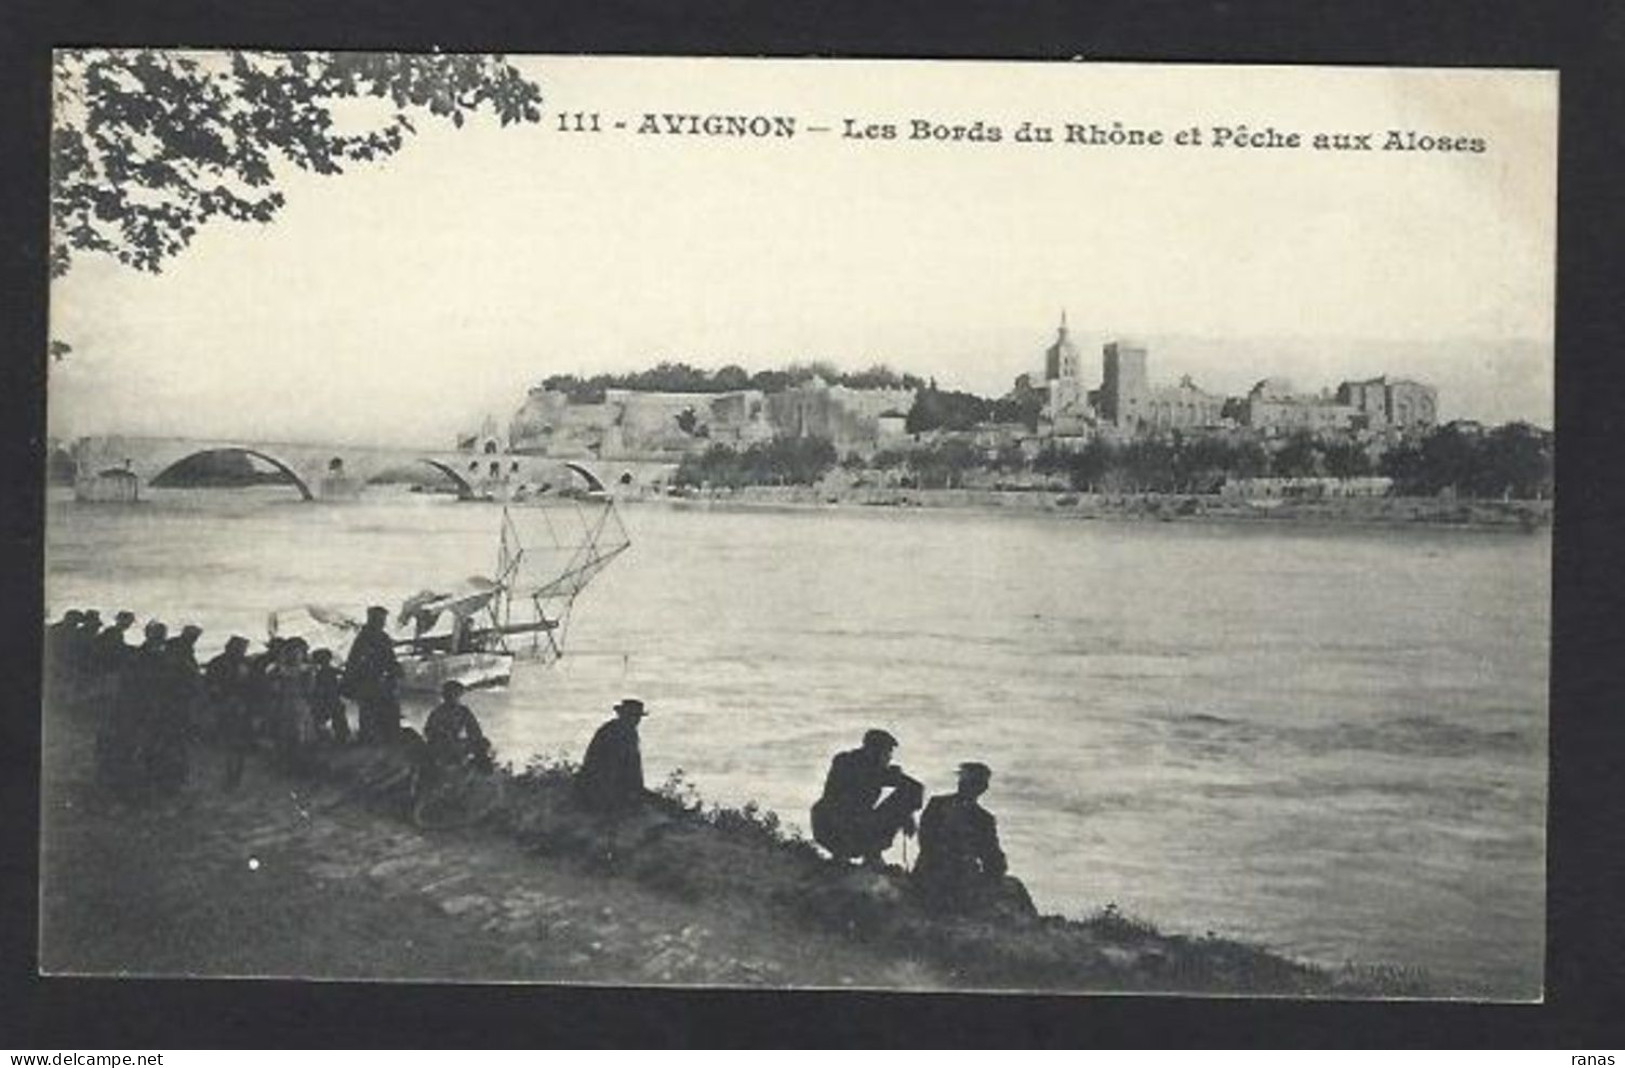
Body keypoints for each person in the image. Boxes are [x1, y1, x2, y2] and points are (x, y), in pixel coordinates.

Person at [913, 762, 1036, 919]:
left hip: (930, 876)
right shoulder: (982, 818)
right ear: (982, 788)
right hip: (955, 880)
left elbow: (925, 841)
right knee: (1015, 887)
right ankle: (1034, 925)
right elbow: (993, 860)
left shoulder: (938, 804)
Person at [810, 729, 924, 867]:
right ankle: (864, 854)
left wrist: (908, 813)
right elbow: (865, 779)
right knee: (849, 816)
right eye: (887, 753)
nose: (889, 758)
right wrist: (906, 814)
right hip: (835, 828)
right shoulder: (848, 763)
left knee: (907, 792)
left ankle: (862, 855)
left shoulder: (861, 765)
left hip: (850, 827)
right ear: (874, 751)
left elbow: (916, 788)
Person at [575, 697, 652, 815]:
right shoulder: (619, 732)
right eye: (633, 716)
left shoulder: (618, 730)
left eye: (637, 717)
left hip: (604, 784)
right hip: (603, 787)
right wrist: (635, 790)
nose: (636, 720)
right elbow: (625, 767)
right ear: (623, 715)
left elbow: (632, 768)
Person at [343, 606, 402, 744]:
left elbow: (390, 659)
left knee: (385, 714)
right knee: (370, 715)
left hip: (383, 684)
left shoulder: (382, 637)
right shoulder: (364, 639)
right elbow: (354, 662)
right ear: (371, 619)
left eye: (383, 620)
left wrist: (395, 669)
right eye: (379, 619)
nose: (381, 623)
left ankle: (385, 740)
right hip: (368, 684)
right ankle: (372, 742)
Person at [205, 636, 255, 790]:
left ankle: (236, 777)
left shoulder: (247, 664)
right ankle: (228, 777)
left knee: (239, 746)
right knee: (227, 744)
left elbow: (254, 686)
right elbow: (211, 685)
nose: (241, 651)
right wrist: (221, 700)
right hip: (225, 707)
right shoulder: (217, 663)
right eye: (238, 648)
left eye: (243, 649)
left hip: (243, 709)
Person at [422, 680, 493, 783]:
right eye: (449, 694)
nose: (452, 697)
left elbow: (474, 730)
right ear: (445, 696)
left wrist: (476, 741)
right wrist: (441, 733)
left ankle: (482, 773)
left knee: (483, 743)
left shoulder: (463, 711)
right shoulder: (438, 711)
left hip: (456, 742)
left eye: (455, 694)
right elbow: (428, 730)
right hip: (441, 744)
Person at [267, 638, 316, 773]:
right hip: (284, 703)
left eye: (299, 652)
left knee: (300, 734)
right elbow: (273, 688)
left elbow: (310, 689)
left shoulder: (306, 670)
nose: (295, 655)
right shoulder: (277, 669)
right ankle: (284, 764)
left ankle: (299, 764)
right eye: (292, 652)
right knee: (284, 734)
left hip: (299, 703)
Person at [309, 649, 350, 744]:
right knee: (336, 716)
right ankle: (340, 735)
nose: (325, 661)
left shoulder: (317, 671)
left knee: (326, 717)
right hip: (330, 696)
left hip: (325, 696)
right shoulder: (329, 670)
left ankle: (336, 736)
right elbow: (343, 673)